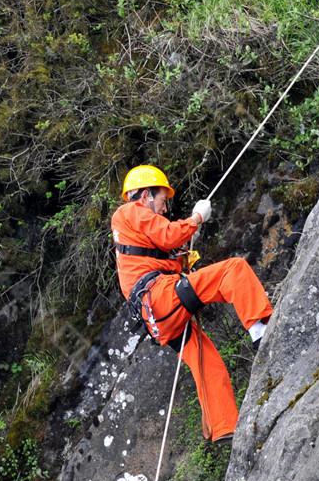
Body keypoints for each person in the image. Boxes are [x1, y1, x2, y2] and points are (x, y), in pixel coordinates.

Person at [111, 164, 273, 443]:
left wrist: (181, 257)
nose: (164, 209)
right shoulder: (129, 211)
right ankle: (261, 330)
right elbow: (169, 234)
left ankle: (223, 427)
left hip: (158, 318)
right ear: (146, 195)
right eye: (162, 200)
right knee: (233, 270)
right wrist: (196, 217)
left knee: (208, 362)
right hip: (160, 298)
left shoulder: (132, 231)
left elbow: (163, 249)